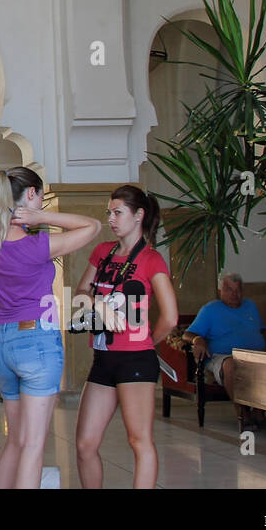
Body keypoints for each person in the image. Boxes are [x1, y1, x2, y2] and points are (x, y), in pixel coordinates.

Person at [0, 167, 101, 489]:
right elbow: (93, 225)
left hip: (2, 342)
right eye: (41, 196)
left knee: (15, 442)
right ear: (30, 194)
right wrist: (41, 218)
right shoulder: (38, 246)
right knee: (33, 446)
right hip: (38, 344)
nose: (42, 201)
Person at [73, 185, 177, 489]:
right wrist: (100, 305)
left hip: (135, 359)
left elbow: (170, 317)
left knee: (139, 440)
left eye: (118, 212)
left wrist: (145, 342)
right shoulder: (102, 252)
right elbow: (81, 292)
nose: (111, 219)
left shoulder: (151, 259)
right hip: (103, 358)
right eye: (109, 213)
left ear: (139, 215)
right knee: (84, 444)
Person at [183, 271, 266, 429]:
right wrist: (198, 340)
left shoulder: (250, 306)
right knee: (231, 366)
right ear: (220, 290)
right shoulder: (210, 310)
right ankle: (243, 414)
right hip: (223, 357)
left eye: (238, 290)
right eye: (229, 289)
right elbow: (187, 334)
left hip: (254, 355)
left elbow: (260, 329)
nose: (234, 294)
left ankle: (259, 414)